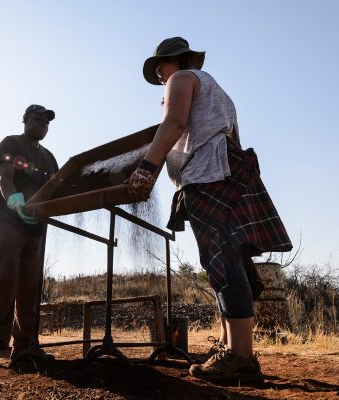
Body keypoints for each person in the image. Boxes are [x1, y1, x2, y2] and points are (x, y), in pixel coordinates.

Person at [128, 37, 292, 383]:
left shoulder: (182, 79)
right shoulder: (218, 92)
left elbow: (172, 124)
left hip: (209, 174)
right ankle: (233, 348)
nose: (160, 75)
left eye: (161, 67)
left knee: (222, 257)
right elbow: (229, 135)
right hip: (228, 170)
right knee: (229, 257)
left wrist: (147, 167)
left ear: (177, 60)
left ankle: (240, 356)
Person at [0, 104, 59, 369]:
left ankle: (25, 346)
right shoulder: (11, 143)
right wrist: (15, 202)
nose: (42, 123)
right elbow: (5, 178)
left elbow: (55, 188)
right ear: (25, 120)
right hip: (7, 219)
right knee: (2, 279)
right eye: (37, 119)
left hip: (36, 226)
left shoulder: (49, 157)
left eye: (46, 121)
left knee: (30, 287)